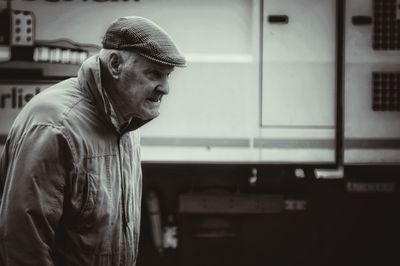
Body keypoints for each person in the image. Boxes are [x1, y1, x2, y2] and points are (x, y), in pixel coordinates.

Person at [0, 16, 186, 266]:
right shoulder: (54, 124)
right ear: (115, 64)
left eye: (167, 76)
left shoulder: (127, 124)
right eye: (154, 73)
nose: (165, 88)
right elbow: (23, 244)